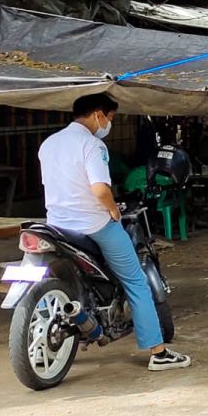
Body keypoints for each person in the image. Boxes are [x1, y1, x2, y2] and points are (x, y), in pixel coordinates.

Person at [38, 93, 191, 371]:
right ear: (98, 114)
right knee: (136, 282)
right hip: (93, 225)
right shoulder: (92, 145)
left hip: (57, 225)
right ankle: (158, 352)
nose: (108, 123)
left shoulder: (49, 144)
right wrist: (114, 212)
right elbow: (99, 189)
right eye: (110, 118)